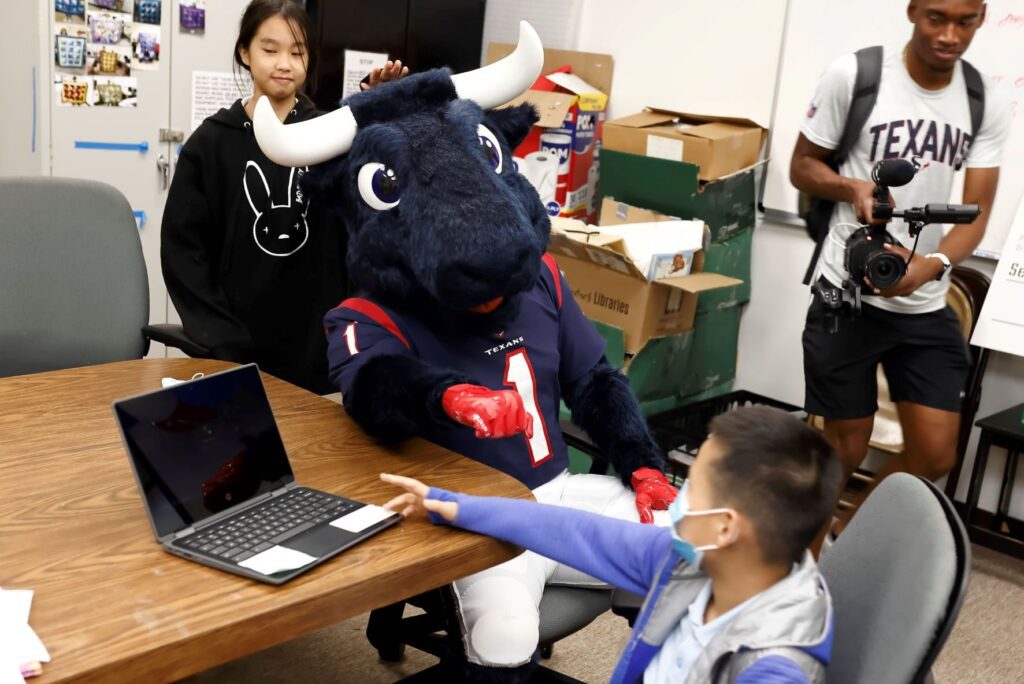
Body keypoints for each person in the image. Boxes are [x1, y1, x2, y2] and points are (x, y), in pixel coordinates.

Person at [380, 406, 840, 683]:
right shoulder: (698, 560)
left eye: (691, 490)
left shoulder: (772, 669)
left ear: (724, 528)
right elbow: (574, 531)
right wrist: (453, 506)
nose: (678, 502)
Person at [790, 0, 1010, 540]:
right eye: (937, 17)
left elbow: (975, 216)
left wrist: (932, 264)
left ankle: (851, 541)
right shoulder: (856, 76)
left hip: (924, 296)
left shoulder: (984, 100)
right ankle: (803, 567)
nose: (950, 35)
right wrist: (852, 186)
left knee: (936, 452)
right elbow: (801, 166)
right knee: (845, 444)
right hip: (849, 293)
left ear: (982, 16)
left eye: (966, 21)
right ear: (913, 10)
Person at [161, 0, 405, 394]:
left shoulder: (332, 135)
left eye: (297, 52)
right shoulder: (210, 143)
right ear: (245, 52)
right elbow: (184, 252)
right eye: (270, 49)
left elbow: (375, 214)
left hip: (317, 350)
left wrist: (376, 118)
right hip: (235, 350)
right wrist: (220, 337)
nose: (284, 63)